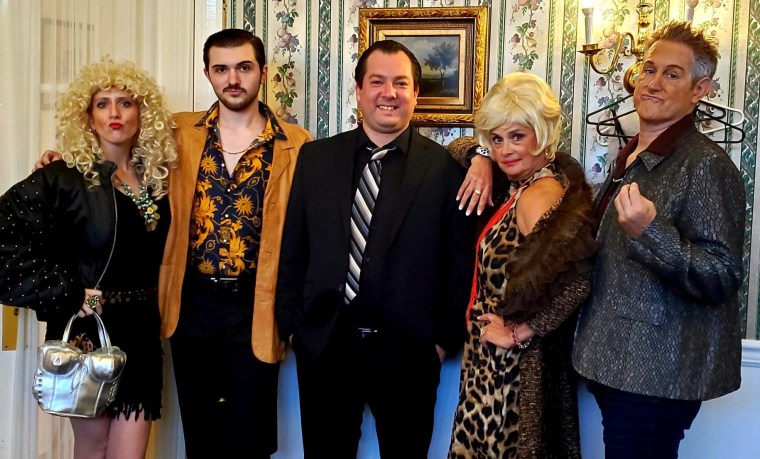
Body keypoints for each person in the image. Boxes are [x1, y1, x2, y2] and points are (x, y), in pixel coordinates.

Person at [276, 39, 475, 458]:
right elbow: (294, 246)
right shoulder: (315, 159)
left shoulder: (445, 170)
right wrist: (293, 326)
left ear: (415, 93)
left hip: (410, 354)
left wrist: (443, 340)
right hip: (325, 346)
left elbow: (459, 263)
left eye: (401, 83)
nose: (389, 93)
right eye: (378, 82)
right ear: (359, 90)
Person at [572, 21, 746, 458]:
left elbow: (722, 275)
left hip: (656, 377)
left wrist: (651, 232)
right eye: (649, 70)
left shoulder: (706, 165)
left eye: (672, 74)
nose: (653, 82)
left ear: (699, 90)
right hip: (616, 364)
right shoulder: (633, 155)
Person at [0, 59, 176, 459]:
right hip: (88, 327)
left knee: (129, 454)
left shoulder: (158, 177)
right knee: (94, 448)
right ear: (88, 116)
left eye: (126, 103)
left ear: (142, 112)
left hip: (142, 328)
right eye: (102, 104)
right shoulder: (62, 177)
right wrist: (64, 291)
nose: (115, 113)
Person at [158, 29, 312, 458]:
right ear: (207, 73)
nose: (233, 79)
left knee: (250, 437)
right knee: (202, 436)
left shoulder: (296, 144)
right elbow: (117, 154)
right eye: (221, 69)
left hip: (257, 304)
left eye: (243, 67)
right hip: (192, 302)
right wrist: (60, 162)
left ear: (262, 71)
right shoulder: (177, 133)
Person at [445, 72, 596, 458]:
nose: (505, 150)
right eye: (496, 139)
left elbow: (578, 282)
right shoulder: (521, 185)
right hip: (490, 366)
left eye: (517, 136)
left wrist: (519, 333)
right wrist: (480, 158)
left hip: (513, 374)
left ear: (542, 135)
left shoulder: (539, 195)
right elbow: (456, 146)